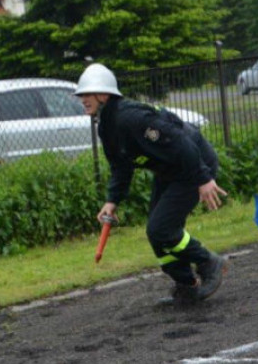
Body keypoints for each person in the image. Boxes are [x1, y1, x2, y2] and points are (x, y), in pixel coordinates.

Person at [75, 63, 227, 305]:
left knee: (161, 229)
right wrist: (112, 201)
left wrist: (203, 178)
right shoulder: (107, 125)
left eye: (86, 94)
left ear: (103, 95)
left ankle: (209, 262)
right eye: (80, 95)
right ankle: (187, 286)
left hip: (193, 165)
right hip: (169, 171)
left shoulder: (131, 118)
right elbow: (121, 166)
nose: (82, 99)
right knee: (157, 233)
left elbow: (181, 142)